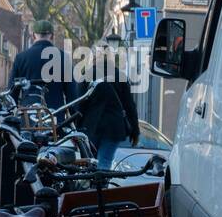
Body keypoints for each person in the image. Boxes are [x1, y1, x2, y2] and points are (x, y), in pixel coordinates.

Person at [78, 36, 140, 167]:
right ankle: (103, 185)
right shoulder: (121, 76)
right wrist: (135, 131)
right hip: (114, 126)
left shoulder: (87, 75)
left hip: (91, 127)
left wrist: (76, 129)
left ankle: (91, 185)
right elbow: (129, 106)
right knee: (105, 161)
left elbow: (79, 104)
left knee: (89, 162)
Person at [9, 19, 76, 116]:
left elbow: (12, 92)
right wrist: (74, 115)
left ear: (33, 36)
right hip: (55, 116)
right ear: (52, 36)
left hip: (28, 117)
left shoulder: (21, 57)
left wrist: (12, 115)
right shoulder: (63, 57)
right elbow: (71, 93)